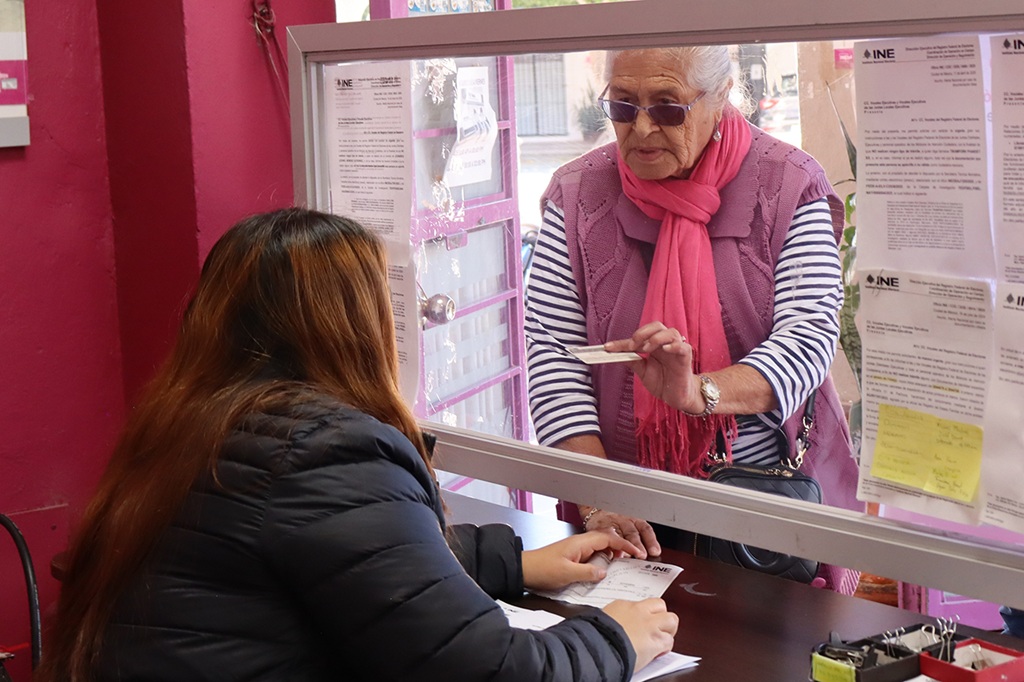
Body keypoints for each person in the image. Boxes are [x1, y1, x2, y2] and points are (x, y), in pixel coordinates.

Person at [36, 208, 678, 682]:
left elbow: (340, 549)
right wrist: (615, 637)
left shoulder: (194, 417)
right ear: (356, 324)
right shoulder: (326, 448)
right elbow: (490, 671)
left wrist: (512, 561)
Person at [525, 47, 863, 593]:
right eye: (622, 105)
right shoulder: (577, 193)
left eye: (667, 107)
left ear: (721, 95)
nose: (640, 128)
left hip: (761, 500)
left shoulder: (786, 183)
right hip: (620, 505)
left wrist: (698, 392)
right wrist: (599, 500)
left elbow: (808, 336)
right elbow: (552, 357)